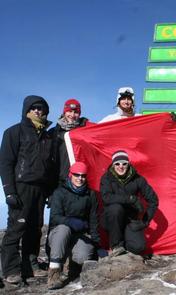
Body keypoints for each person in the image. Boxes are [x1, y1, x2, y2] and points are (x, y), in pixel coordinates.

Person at [0, 95, 54, 284]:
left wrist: (50, 190)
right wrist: (9, 191)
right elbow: (6, 164)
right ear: (26, 111)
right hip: (21, 187)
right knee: (17, 228)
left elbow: (50, 165)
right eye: (34, 108)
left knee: (35, 228)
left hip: (40, 189)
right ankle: (11, 269)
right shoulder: (13, 132)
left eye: (41, 108)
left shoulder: (47, 136)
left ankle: (30, 265)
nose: (38, 111)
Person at [47, 162, 105, 290]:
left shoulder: (90, 195)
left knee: (83, 257)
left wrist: (97, 245)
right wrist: (71, 221)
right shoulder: (59, 192)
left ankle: (70, 263)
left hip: (79, 235)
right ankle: (54, 274)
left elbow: (94, 220)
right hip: (58, 235)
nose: (80, 178)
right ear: (70, 175)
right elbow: (55, 217)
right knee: (63, 229)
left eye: (83, 175)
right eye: (76, 175)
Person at [100, 150, 159, 256]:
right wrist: (131, 199)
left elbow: (153, 200)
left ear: (128, 164)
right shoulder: (106, 178)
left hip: (130, 220)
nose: (121, 166)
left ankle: (126, 243)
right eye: (117, 164)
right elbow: (106, 198)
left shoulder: (138, 179)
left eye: (124, 163)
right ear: (113, 165)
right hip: (112, 219)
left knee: (139, 247)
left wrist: (145, 221)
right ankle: (116, 246)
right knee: (116, 208)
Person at [50, 99, 92, 184]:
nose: (72, 115)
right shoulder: (53, 132)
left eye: (76, 112)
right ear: (64, 112)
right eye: (69, 111)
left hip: (79, 178)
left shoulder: (86, 130)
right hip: (58, 179)